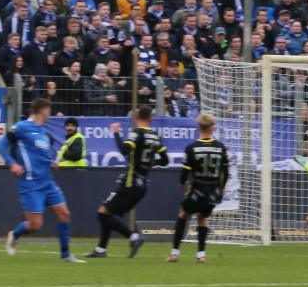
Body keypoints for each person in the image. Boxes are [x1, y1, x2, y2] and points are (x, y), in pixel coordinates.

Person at [0, 98, 84, 263]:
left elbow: (42, 155)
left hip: (48, 182)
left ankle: (65, 255)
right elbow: (0, 145)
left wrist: (52, 162)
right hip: (31, 183)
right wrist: (12, 163)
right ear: (42, 110)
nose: (49, 114)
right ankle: (14, 234)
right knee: (35, 225)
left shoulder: (43, 133)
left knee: (64, 213)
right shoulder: (21, 127)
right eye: (48, 110)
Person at [87, 106, 168, 258]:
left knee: (102, 213)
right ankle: (101, 250)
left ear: (137, 117)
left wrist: (116, 132)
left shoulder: (136, 133)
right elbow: (165, 160)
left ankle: (134, 237)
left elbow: (124, 150)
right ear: (151, 118)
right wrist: (152, 162)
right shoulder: (156, 136)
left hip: (130, 182)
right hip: (142, 185)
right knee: (107, 213)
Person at [169, 114, 229, 263]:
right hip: (212, 190)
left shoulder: (192, 148)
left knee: (183, 214)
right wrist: (221, 190)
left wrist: (183, 183)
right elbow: (225, 173)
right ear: (212, 128)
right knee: (203, 218)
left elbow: (185, 172)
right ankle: (201, 255)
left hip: (196, 189)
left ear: (198, 127)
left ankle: (174, 253)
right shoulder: (221, 148)